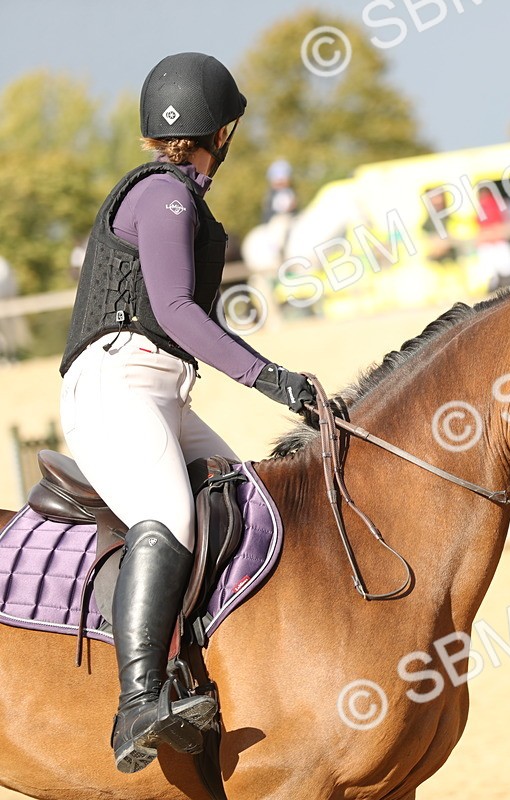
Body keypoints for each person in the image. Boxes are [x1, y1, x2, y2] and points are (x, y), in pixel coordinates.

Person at [57, 52, 316, 774]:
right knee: (169, 515)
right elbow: (174, 310)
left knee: (248, 498)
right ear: (221, 132)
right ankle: (138, 702)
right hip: (115, 387)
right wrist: (271, 379)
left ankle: (208, 659)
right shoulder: (164, 195)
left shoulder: (177, 196)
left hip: (163, 390)